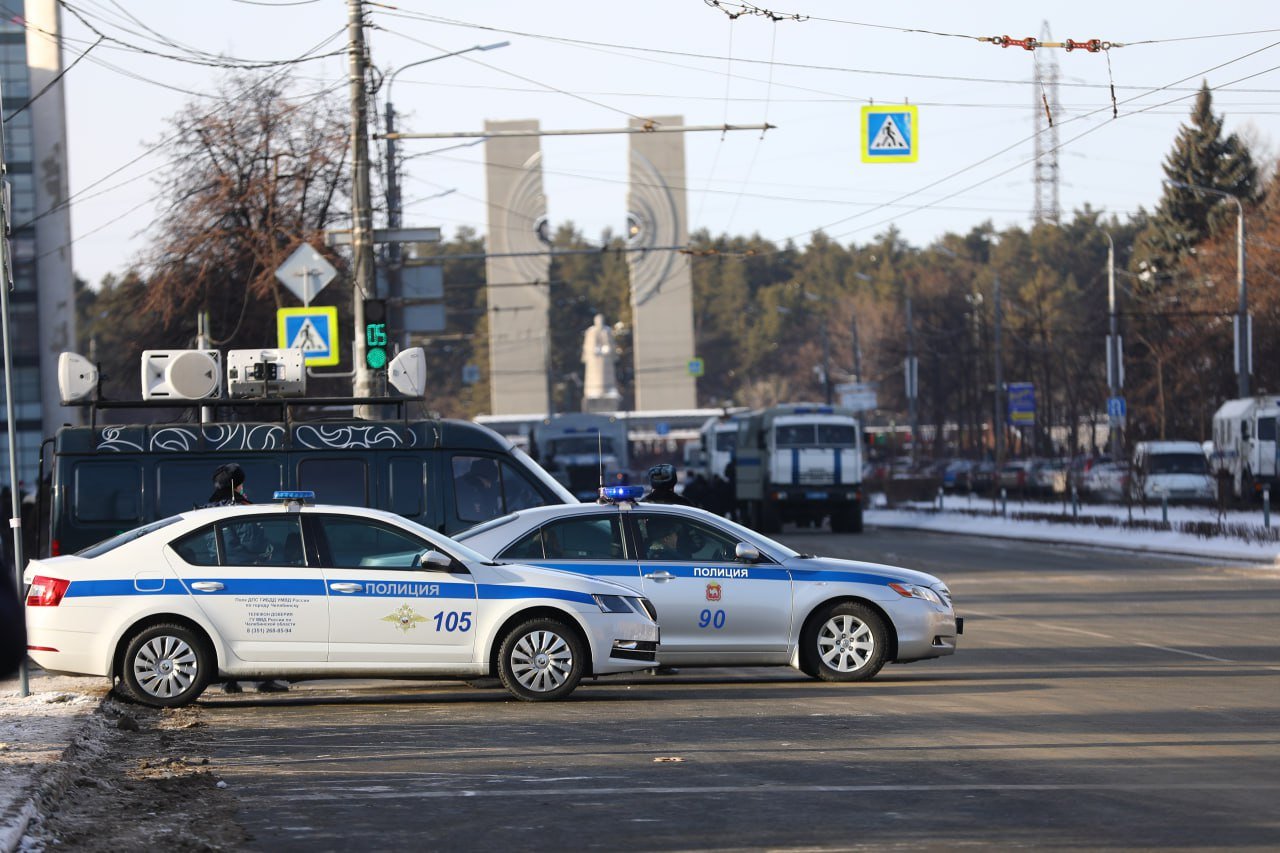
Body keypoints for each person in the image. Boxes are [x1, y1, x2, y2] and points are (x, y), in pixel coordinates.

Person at [205, 464, 289, 696]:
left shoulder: (211, 506)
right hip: (248, 571)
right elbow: (252, 542)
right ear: (237, 485)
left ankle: (229, 681)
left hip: (221, 573)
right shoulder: (239, 507)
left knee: (232, 629)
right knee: (260, 627)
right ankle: (262, 680)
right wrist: (269, 549)